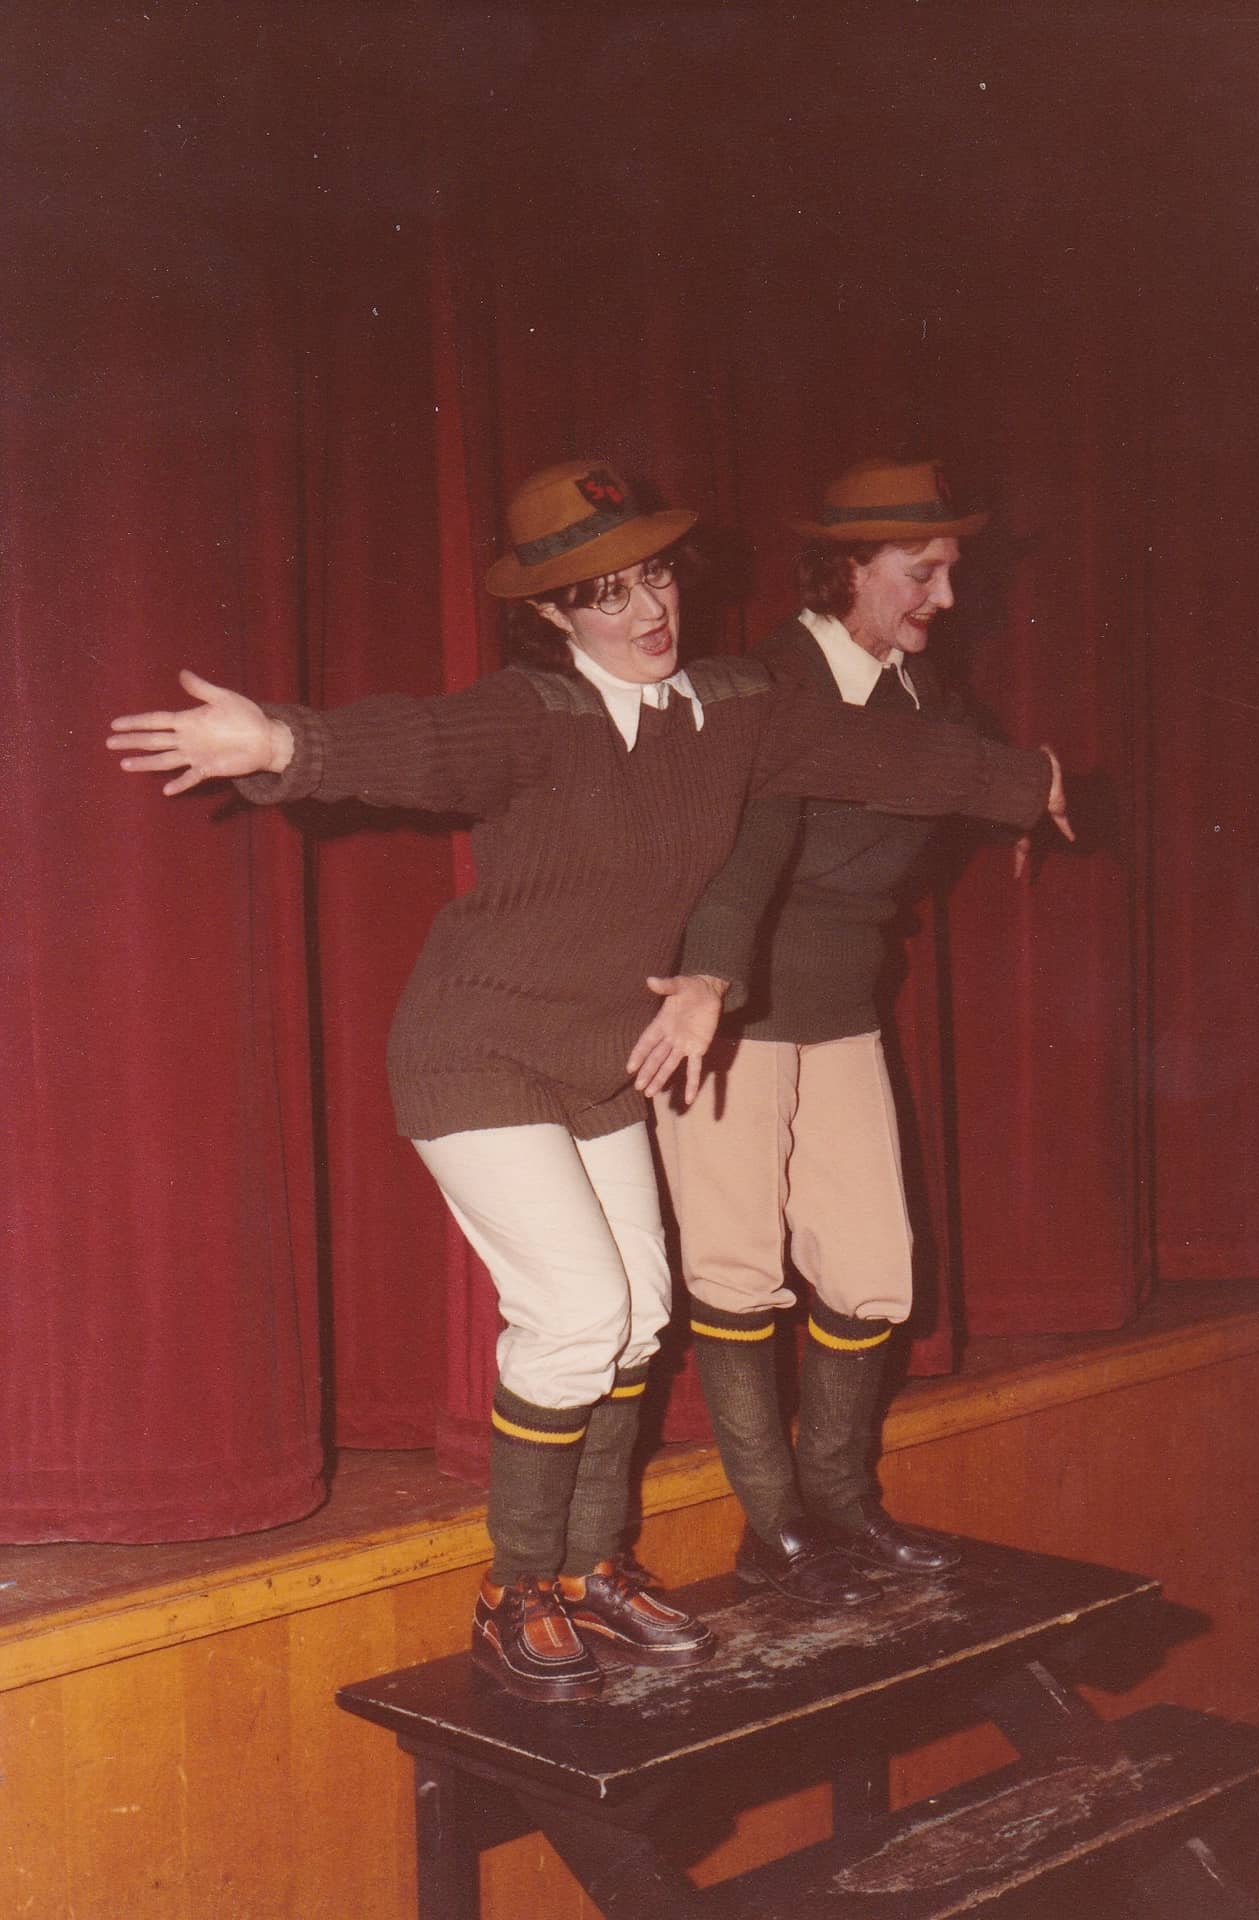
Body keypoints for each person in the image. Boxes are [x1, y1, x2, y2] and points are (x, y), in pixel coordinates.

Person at [108, 457, 1065, 1703]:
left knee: (639, 1316)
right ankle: (516, 1590)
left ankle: (593, 1564)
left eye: (654, 577)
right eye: (605, 594)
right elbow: (420, 743)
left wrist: (1026, 784)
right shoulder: (531, 716)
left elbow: (874, 754)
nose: (645, 610)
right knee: (572, 1312)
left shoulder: (733, 706)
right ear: (554, 615)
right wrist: (282, 741)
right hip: (476, 1050)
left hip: (599, 1059)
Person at [649, 458, 1072, 1608]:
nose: (945, 597)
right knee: (735, 1268)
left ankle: (839, 1500)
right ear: (846, 567)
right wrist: (708, 986)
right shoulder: (765, 683)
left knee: (873, 1268)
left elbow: (950, 779)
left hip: (840, 1007)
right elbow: (744, 864)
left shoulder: (928, 695)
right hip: (728, 1006)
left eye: (950, 572)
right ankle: (775, 1526)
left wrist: (1013, 807)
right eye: (920, 572)